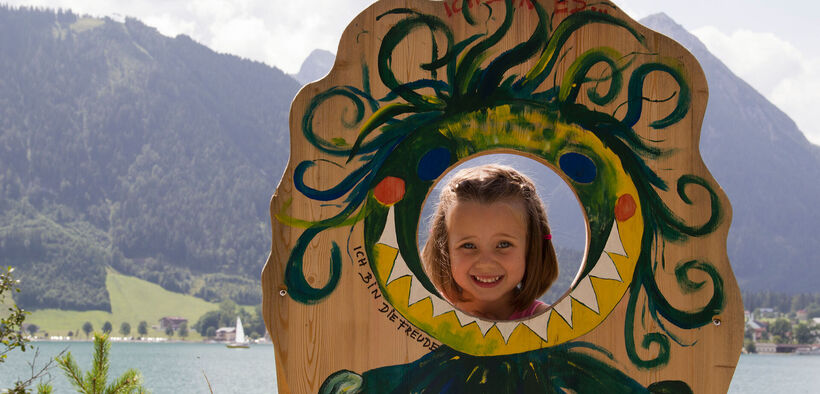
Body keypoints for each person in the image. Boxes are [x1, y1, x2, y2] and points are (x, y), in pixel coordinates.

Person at [422, 164, 559, 321]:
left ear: (531, 247)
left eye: (503, 244)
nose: (485, 263)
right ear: (444, 248)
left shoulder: (549, 322)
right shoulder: (426, 313)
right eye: (468, 245)